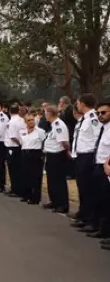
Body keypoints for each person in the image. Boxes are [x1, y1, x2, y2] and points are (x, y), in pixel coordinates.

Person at [71, 94, 103, 232]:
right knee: (82, 187)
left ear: (83, 104)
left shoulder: (93, 118)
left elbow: (97, 137)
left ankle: (91, 220)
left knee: (88, 189)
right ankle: (84, 216)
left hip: (88, 155)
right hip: (80, 155)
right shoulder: (82, 120)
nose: (77, 105)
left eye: (78, 103)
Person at [83, 101, 110, 237]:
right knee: (98, 198)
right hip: (98, 165)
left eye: (104, 113)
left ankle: (105, 230)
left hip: (106, 168)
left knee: (106, 200)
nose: (100, 115)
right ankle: (98, 226)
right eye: (99, 113)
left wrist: (107, 164)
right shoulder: (103, 128)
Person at [42, 106, 70, 214]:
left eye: (46, 113)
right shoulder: (53, 125)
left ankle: (62, 204)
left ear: (49, 113)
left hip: (57, 155)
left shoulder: (59, 125)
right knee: (51, 180)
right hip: (51, 155)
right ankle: (54, 201)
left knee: (58, 180)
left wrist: (67, 151)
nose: (45, 115)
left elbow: (64, 142)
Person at [19, 114, 46, 205]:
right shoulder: (22, 132)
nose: (31, 122)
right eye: (29, 120)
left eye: (32, 120)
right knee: (25, 174)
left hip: (35, 153)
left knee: (35, 176)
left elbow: (43, 141)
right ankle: (26, 194)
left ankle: (35, 197)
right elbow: (21, 142)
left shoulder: (40, 131)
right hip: (25, 153)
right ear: (25, 122)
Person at [4, 104, 26, 198]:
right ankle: (19, 188)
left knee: (13, 170)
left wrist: (20, 143)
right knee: (19, 169)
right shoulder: (22, 120)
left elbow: (13, 136)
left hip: (13, 147)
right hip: (21, 146)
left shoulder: (11, 122)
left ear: (9, 111)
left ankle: (15, 189)